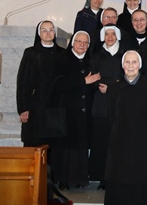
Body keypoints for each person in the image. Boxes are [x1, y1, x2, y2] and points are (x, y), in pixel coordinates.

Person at [104, 50, 147, 205]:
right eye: (127, 62)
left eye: (134, 62)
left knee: (142, 186)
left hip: (144, 145)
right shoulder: (115, 88)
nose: (130, 66)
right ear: (122, 66)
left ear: (139, 65)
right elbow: (111, 115)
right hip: (120, 145)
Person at [55, 31, 101, 190]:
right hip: (68, 110)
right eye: (79, 41)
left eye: (85, 42)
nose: (82, 45)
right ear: (72, 43)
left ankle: (81, 179)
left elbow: (95, 82)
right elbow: (59, 84)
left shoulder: (91, 60)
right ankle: (65, 179)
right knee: (67, 147)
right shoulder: (62, 59)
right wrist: (83, 81)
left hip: (86, 110)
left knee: (82, 146)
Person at [16, 20, 65, 161]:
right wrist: (23, 109)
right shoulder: (31, 53)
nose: (48, 33)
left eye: (51, 30)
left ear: (54, 33)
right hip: (36, 106)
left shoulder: (62, 53)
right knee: (35, 145)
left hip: (56, 107)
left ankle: (52, 174)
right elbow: (23, 82)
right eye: (44, 30)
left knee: (54, 147)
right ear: (39, 33)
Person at [89, 25, 126, 189]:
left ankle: (118, 177)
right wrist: (113, 83)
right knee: (102, 144)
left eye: (113, 34)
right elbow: (93, 77)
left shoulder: (125, 54)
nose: (110, 37)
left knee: (119, 144)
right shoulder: (96, 56)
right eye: (107, 34)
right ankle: (103, 178)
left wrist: (110, 86)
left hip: (120, 105)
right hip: (101, 105)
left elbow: (128, 77)